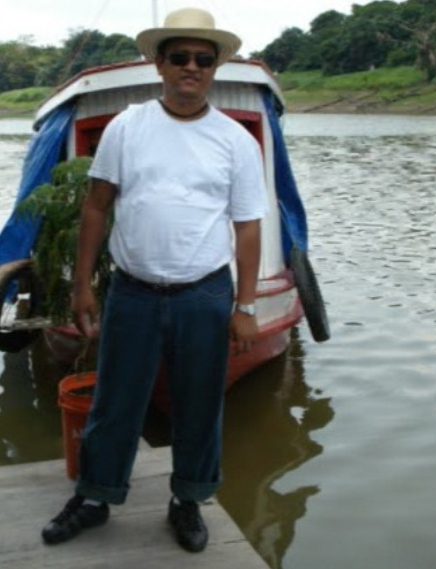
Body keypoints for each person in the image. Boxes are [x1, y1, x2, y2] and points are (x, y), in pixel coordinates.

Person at [41, 8, 268, 553]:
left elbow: (248, 227)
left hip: (205, 294)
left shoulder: (235, 141)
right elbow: (98, 207)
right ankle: (95, 497)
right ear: (159, 64)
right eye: (180, 57)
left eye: (203, 59)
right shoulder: (127, 127)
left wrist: (245, 306)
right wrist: (82, 286)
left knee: (199, 404)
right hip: (133, 292)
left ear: (214, 68)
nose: (192, 67)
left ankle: (187, 500)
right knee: (115, 401)